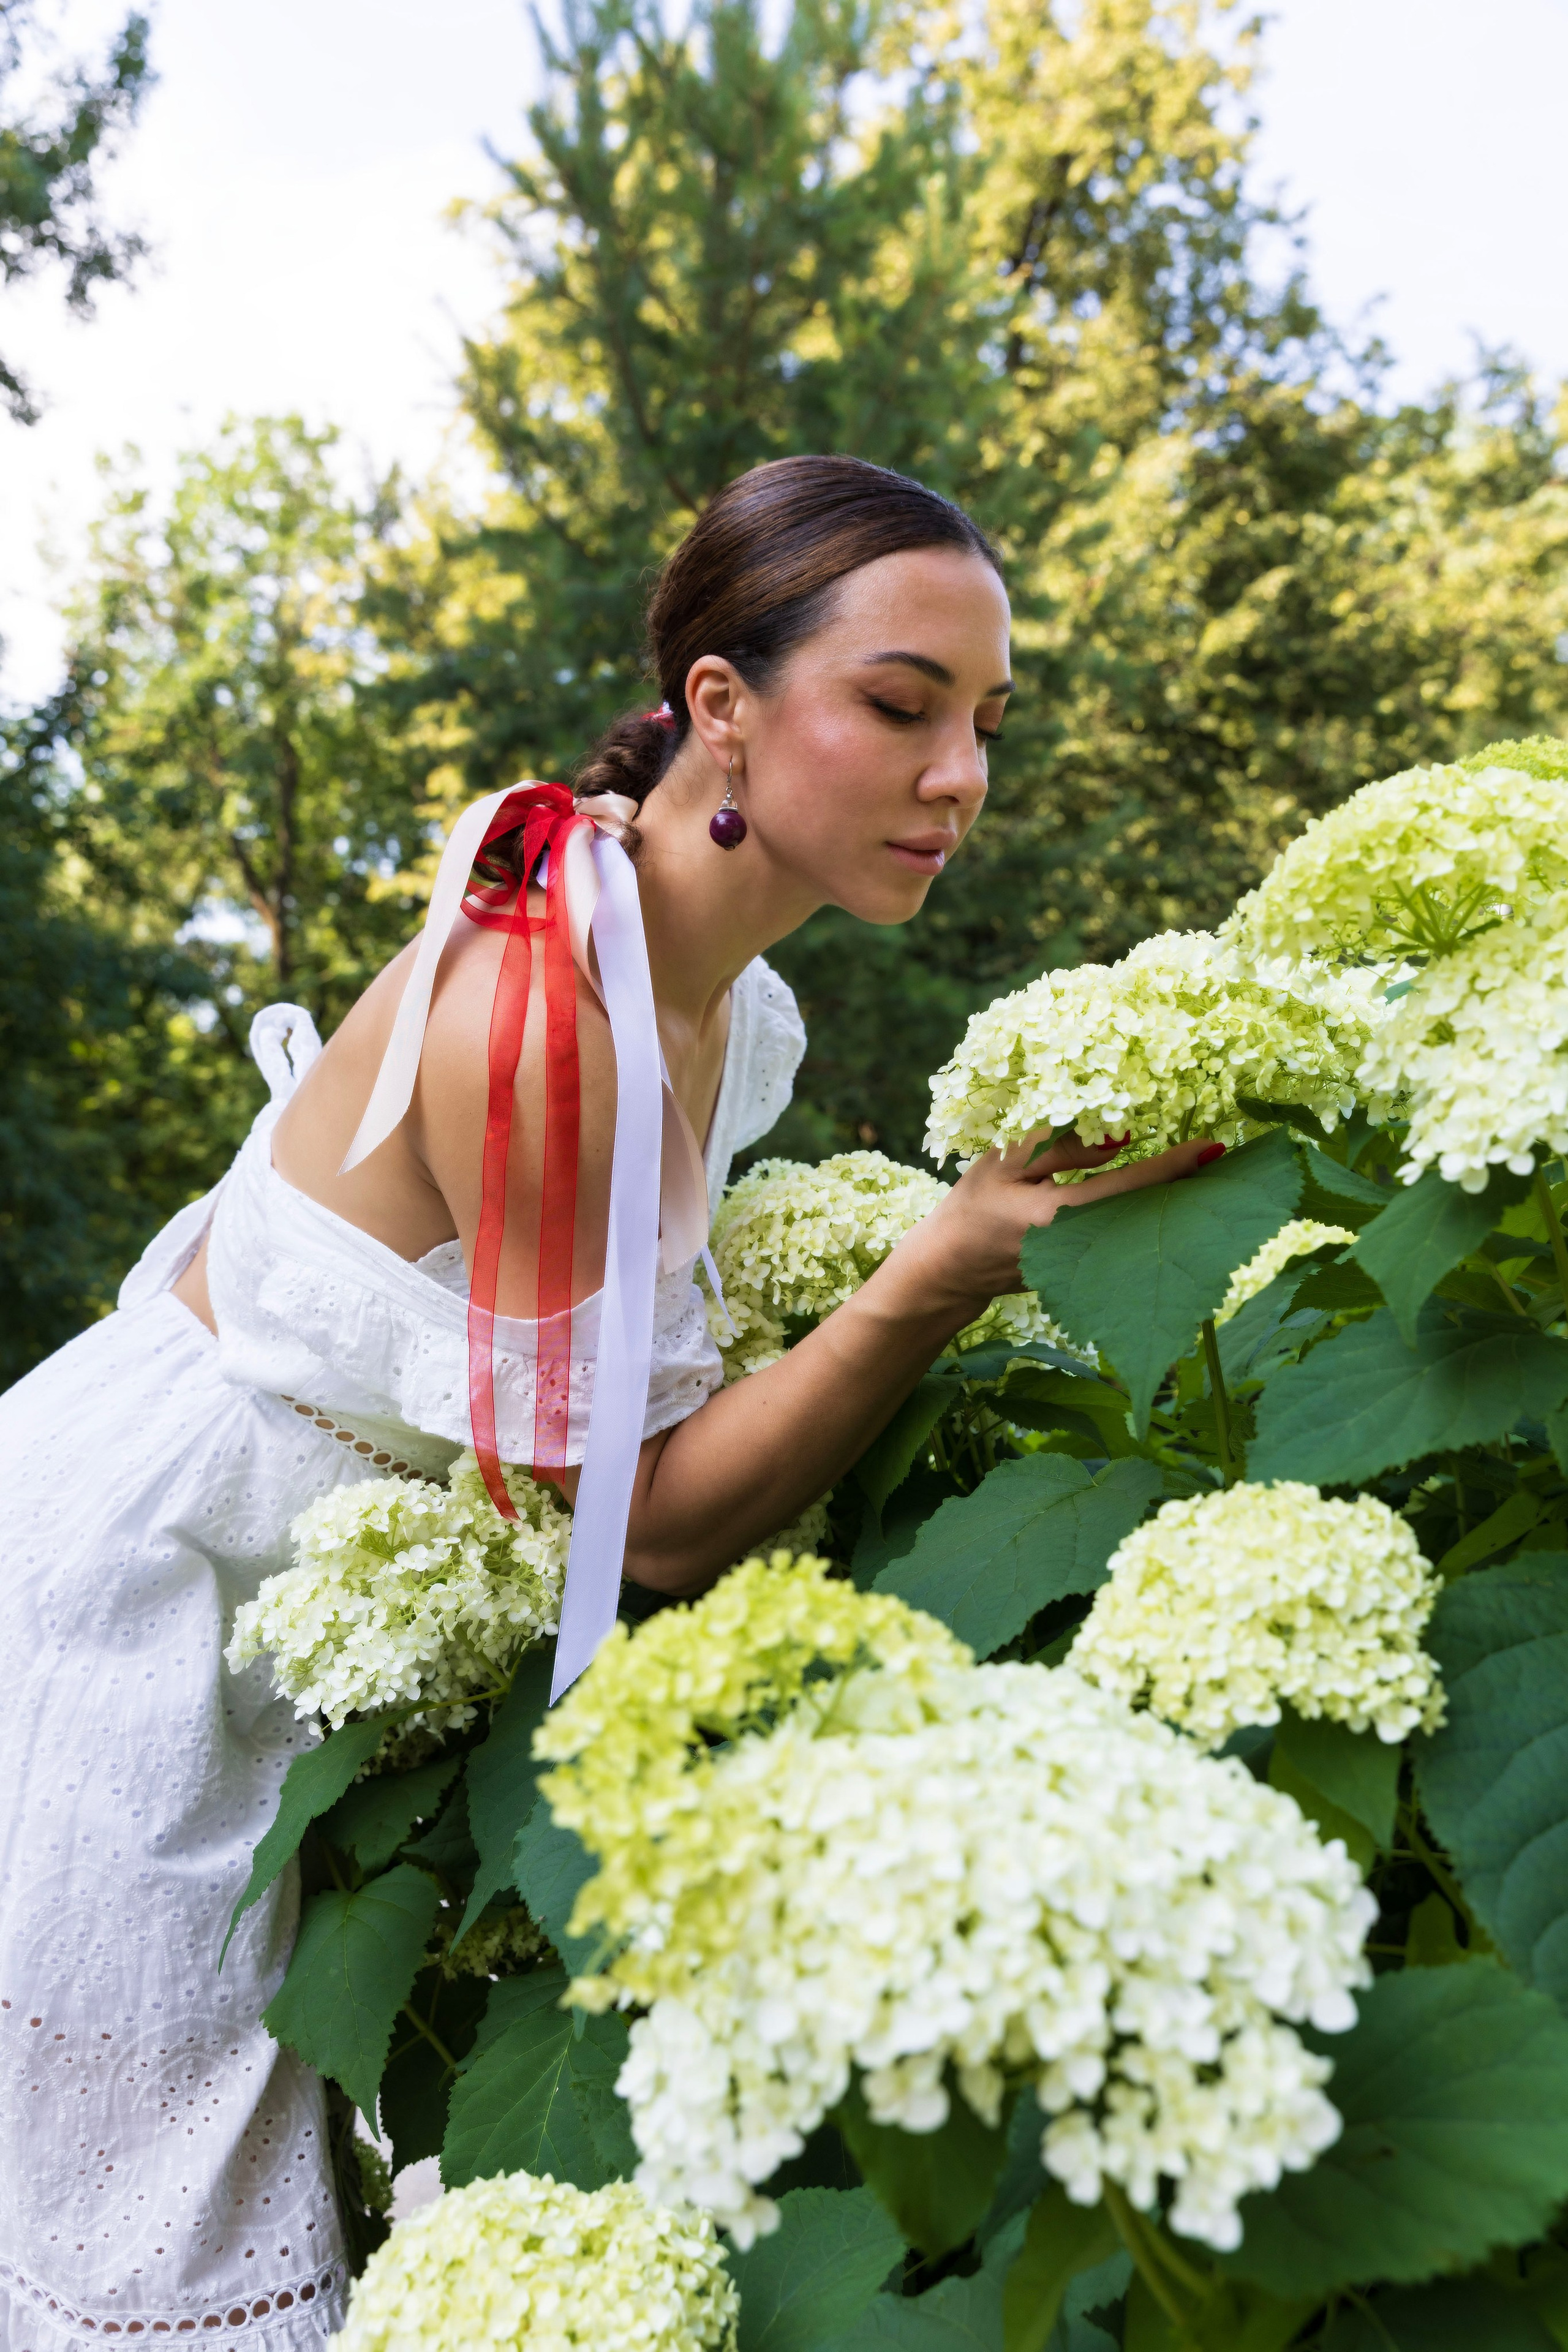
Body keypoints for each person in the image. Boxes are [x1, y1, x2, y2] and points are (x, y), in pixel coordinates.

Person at [0, 454, 1214, 2346]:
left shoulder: (703, 972)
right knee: (146, 2235)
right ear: (721, 706)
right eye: (899, 707)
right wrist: (950, 1258)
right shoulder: (557, 1017)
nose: (959, 777)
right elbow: (635, 1522)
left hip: (293, 1596)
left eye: (983, 722)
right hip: (145, 1602)